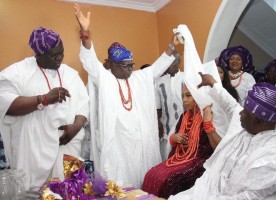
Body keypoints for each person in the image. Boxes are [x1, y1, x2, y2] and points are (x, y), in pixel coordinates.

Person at [74, 4, 181, 188]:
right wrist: (85, 33)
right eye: (126, 66)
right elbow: (90, 61)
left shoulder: (138, 77)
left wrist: (172, 45)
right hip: (118, 145)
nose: (131, 69)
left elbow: (157, 67)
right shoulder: (105, 78)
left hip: (141, 145)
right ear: (113, 65)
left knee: (143, 182)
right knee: (119, 184)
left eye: (132, 64)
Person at [169, 73, 276, 199]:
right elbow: (230, 104)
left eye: (245, 113)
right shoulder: (247, 125)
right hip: (207, 187)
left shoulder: (274, 157)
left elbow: (249, 197)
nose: (240, 114)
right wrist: (212, 82)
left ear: (259, 121)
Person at [0, 27, 89, 190]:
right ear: (38, 55)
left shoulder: (70, 74)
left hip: (67, 147)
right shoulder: (18, 72)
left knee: (70, 191)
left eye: (62, 52)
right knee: (33, 193)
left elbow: (84, 105)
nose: (60, 57)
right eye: (54, 55)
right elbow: (6, 104)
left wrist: (76, 126)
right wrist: (45, 99)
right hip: (33, 152)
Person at [142, 85, 214, 198]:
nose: (184, 100)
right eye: (183, 96)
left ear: (199, 96)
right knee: (150, 174)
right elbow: (175, 138)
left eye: (188, 96)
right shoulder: (184, 116)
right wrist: (173, 138)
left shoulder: (208, 116)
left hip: (198, 160)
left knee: (168, 180)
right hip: (179, 157)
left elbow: (209, 148)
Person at [155, 50, 184, 161]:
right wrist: (158, 123)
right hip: (166, 127)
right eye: (167, 62)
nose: (169, 65)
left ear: (179, 62)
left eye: (172, 62)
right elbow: (158, 106)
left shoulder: (186, 77)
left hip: (183, 125)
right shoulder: (159, 81)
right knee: (166, 158)